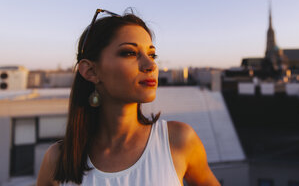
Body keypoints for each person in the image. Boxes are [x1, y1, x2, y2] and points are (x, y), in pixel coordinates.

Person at [37, 9, 220, 186]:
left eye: (151, 54)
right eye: (130, 53)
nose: (151, 65)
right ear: (91, 71)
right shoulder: (57, 160)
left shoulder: (178, 141)